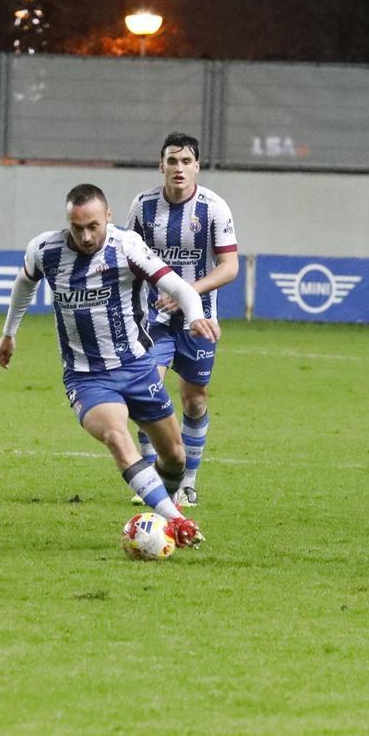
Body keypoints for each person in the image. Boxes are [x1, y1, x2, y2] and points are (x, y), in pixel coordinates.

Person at [0, 184, 218, 549]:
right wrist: (9, 334)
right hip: (86, 377)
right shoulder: (45, 250)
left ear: (108, 217)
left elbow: (180, 288)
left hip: (135, 366)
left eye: (93, 226)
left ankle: (164, 513)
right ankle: (177, 521)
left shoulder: (126, 246)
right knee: (117, 436)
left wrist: (193, 316)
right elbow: (23, 284)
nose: (85, 236)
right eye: (77, 227)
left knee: (174, 458)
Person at [126, 132, 238, 506]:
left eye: (186, 161)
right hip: (151, 317)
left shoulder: (214, 208)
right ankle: (152, 480)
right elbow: (127, 258)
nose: (179, 168)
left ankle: (188, 481)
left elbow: (230, 267)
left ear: (197, 167)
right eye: (172, 161)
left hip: (199, 319)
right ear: (161, 165)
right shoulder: (141, 207)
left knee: (194, 400)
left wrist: (187, 291)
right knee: (148, 393)